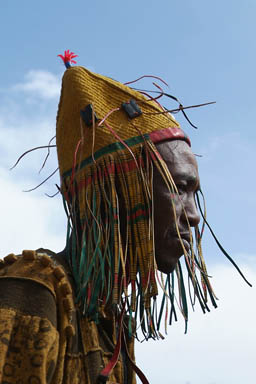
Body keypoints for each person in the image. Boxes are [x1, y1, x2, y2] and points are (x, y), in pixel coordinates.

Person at [0, 51, 218, 384]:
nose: (193, 216)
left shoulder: (111, 324)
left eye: (193, 194)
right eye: (177, 188)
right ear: (114, 192)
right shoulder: (33, 292)